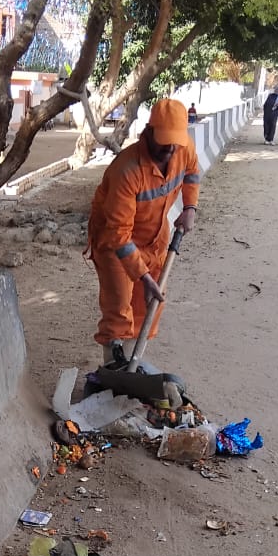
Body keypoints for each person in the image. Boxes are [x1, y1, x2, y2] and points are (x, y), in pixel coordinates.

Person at [86, 97, 200, 359]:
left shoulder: (183, 148)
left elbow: (193, 172)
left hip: (155, 238)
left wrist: (190, 207)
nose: (170, 149)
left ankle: (132, 364)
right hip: (116, 244)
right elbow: (119, 234)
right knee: (119, 309)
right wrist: (143, 277)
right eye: (164, 142)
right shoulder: (127, 170)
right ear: (148, 133)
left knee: (149, 305)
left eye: (175, 143)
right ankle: (113, 369)